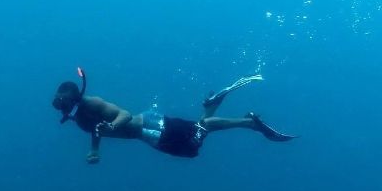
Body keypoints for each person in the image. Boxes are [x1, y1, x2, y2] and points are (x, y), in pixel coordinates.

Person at [52, 68, 296, 164]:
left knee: (199, 134)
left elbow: (123, 115)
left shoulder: (92, 102)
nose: (63, 111)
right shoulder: (80, 119)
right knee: (195, 136)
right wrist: (95, 150)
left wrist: (112, 126)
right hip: (150, 132)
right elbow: (97, 131)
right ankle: (213, 102)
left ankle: (249, 123)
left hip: (151, 129)